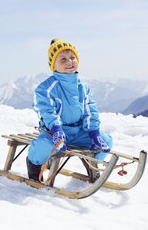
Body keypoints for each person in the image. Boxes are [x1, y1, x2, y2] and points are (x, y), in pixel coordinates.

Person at [26, 39, 113, 181]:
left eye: (72, 57)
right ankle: (34, 165)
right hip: (54, 132)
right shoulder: (46, 88)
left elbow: (90, 110)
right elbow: (46, 111)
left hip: (78, 132)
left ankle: (92, 164)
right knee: (44, 145)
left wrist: (94, 131)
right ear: (53, 66)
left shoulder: (82, 87)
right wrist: (56, 129)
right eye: (63, 59)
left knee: (106, 141)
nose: (69, 61)